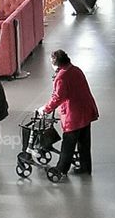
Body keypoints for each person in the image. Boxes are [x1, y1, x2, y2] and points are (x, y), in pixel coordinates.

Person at [39, 50, 99, 178]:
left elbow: (58, 98)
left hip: (73, 115)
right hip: (85, 111)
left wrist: (45, 109)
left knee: (68, 144)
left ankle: (61, 169)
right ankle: (85, 166)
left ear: (56, 63)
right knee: (84, 142)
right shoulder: (76, 70)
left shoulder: (61, 77)